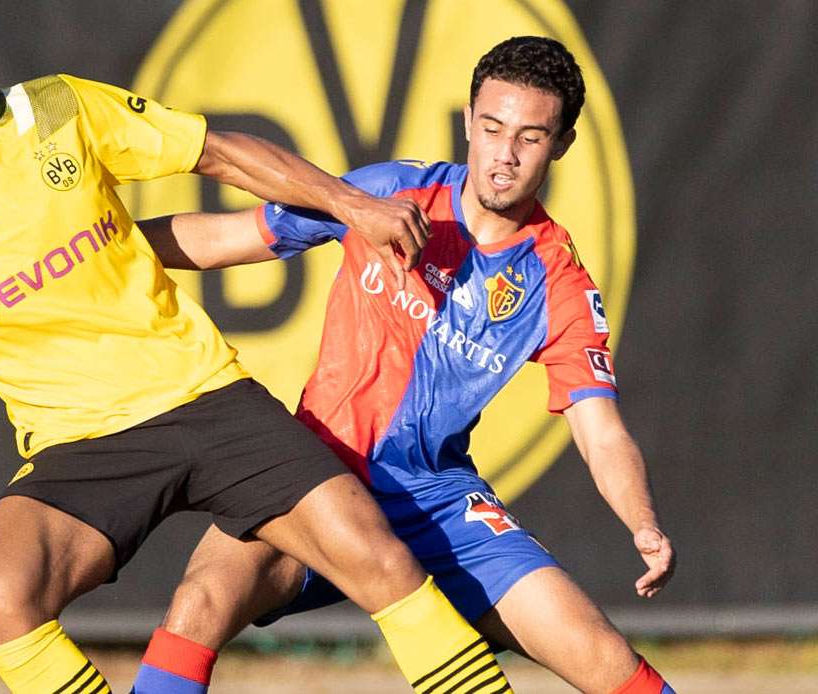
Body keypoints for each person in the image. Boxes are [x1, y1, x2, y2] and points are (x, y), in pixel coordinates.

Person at [0, 5, 519, 693]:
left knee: (377, 558)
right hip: (79, 442)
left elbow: (221, 153)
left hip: (201, 394)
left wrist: (350, 203)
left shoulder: (56, 110)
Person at [135, 36, 676, 694]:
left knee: (600, 654)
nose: (504, 157)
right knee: (199, 604)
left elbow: (601, 431)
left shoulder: (556, 279)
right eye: (491, 128)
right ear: (469, 121)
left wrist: (642, 523)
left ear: (560, 145)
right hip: (314, 480)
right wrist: (102, 248)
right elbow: (226, 238)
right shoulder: (392, 193)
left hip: (436, 500)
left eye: (530, 138)